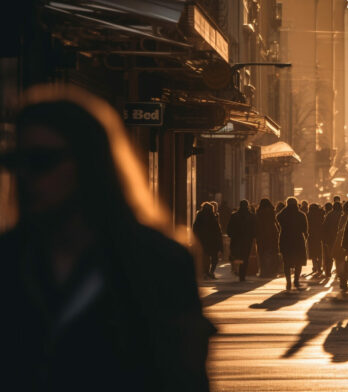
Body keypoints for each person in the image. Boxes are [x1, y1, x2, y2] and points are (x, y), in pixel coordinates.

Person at [1, 85, 213, 390]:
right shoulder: (10, 259)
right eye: (14, 162)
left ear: (90, 164)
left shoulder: (157, 262)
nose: (24, 176)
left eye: (40, 161)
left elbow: (183, 378)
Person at [277, 197, 309, 291]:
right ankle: (296, 280)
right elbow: (305, 229)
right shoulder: (301, 215)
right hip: (298, 240)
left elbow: (277, 218)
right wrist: (305, 238)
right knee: (298, 261)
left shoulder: (282, 214)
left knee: (286, 261)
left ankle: (288, 280)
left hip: (285, 239)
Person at [226, 200, 257, 282]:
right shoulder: (252, 216)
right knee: (245, 257)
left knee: (236, 255)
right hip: (247, 240)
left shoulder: (234, 216)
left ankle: (237, 271)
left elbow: (229, 228)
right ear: (248, 206)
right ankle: (242, 275)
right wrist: (253, 236)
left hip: (236, 240)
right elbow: (254, 229)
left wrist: (231, 234)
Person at [193, 202, 223, 279]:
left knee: (205, 257)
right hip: (212, 241)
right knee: (214, 258)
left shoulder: (199, 216)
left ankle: (205, 272)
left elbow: (195, 228)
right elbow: (217, 230)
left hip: (202, 241)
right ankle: (211, 272)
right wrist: (220, 243)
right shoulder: (212, 217)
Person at [333, 200, 348, 290]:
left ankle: (343, 280)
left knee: (342, 262)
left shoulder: (343, 217)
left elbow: (339, 230)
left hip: (342, 241)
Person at [255, 198, 280, 278]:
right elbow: (275, 221)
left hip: (261, 234)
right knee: (272, 252)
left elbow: (256, 223)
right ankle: (272, 271)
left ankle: (263, 271)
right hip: (272, 233)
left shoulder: (259, 212)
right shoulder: (272, 211)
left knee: (261, 253)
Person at [322, 201, 342, 278]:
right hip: (339, 238)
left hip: (330, 238)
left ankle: (328, 271)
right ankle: (339, 271)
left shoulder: (329, 215)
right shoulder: (342, 214)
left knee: (329, 256)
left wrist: (324, 239)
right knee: (339, 256)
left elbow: (324, 227)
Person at [307, 203, 325, 276]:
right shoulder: (320, 215)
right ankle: (319, 267)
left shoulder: (308, 215)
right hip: (319, 236)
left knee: (313, 253)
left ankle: (314, 266)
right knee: (319, 253)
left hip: (311, 236)